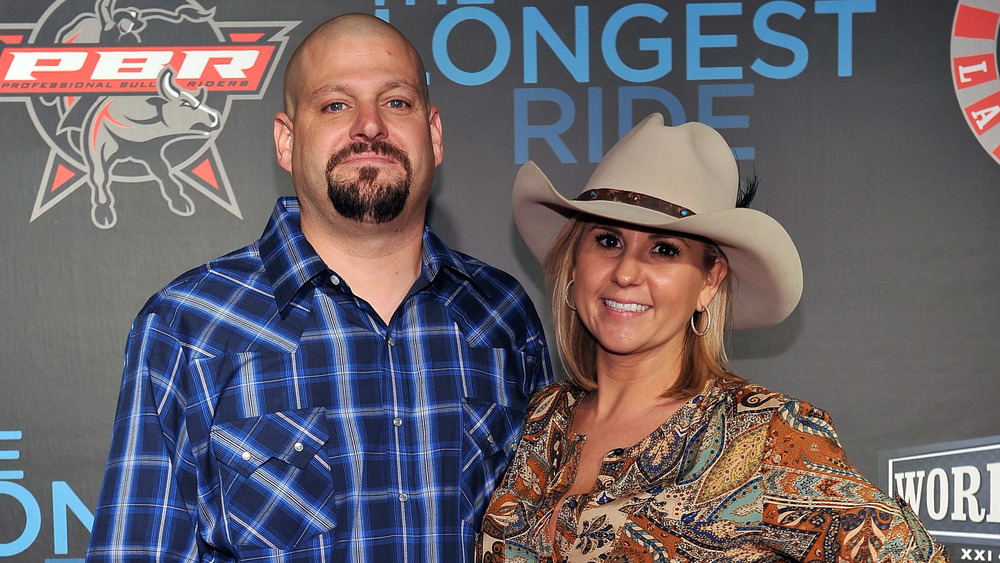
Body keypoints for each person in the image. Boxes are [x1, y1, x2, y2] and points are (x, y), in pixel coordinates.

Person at [86, 13, 552, 563]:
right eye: (335, 105)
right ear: (286, 141)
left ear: (434, 135)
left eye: (396, 102)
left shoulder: (501, 314)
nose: (370, 126)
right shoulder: (189, 324)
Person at [476, 113, 949, 562]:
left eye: (663, 249)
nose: (626, 272)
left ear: (709, 282)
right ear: (574, 265)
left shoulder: (764, 433)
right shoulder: (542, 418)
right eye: (607, 240)